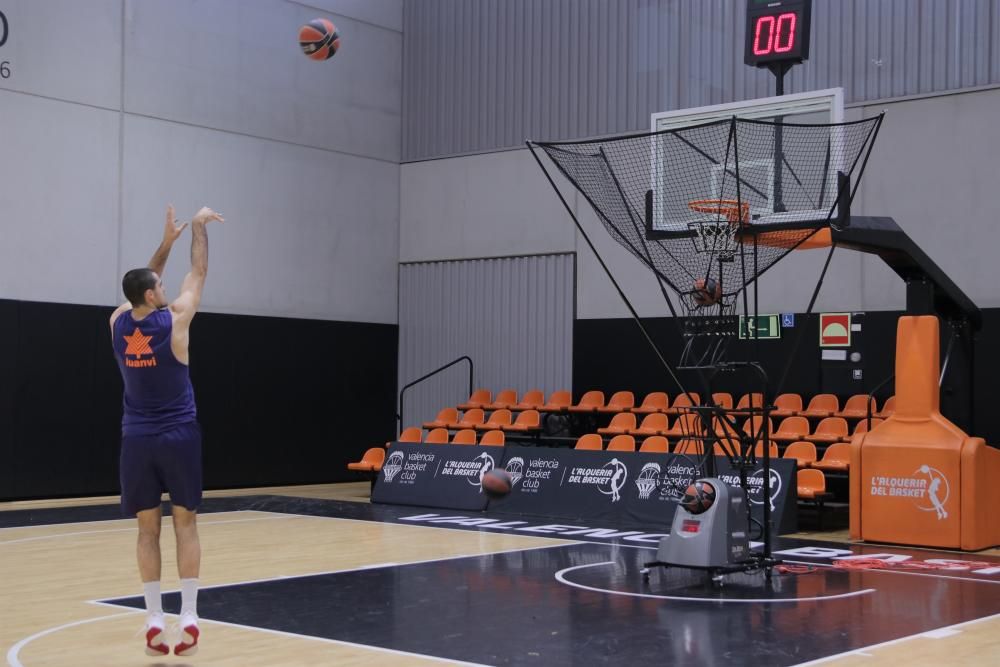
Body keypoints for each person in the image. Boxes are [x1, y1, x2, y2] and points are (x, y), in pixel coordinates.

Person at [109, 204, 224, 656]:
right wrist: (195, 230)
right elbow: (199, 271)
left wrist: (163, 246)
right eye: (159, 286)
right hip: (178, 435)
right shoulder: (176, 320)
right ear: (155, 296)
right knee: (187, 525)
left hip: (136, 439)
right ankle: (190, 614)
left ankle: (154, 616)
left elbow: (143, 278)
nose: (163, 285)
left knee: (146, 531)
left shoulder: (118, 322)